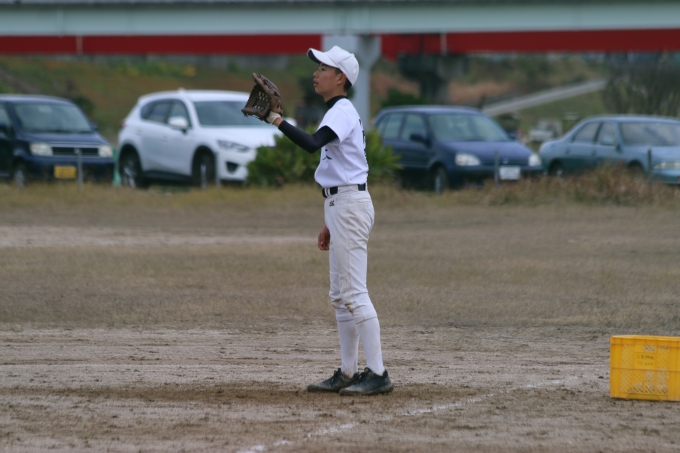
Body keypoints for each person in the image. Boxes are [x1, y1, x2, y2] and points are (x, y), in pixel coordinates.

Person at [268, 46, 393, 396]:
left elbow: (311, 144)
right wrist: (330, 219)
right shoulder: (338, 112)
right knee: (340, 296)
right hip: (341, 204)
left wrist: (276, 120)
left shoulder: (341, 110)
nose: (316, 72)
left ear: (341, 78)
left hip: (350, 204)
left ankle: (378, 373)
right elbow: (339, 166)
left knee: (354, 293)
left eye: (324, 68)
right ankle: (348, 371)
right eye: (318, 67)